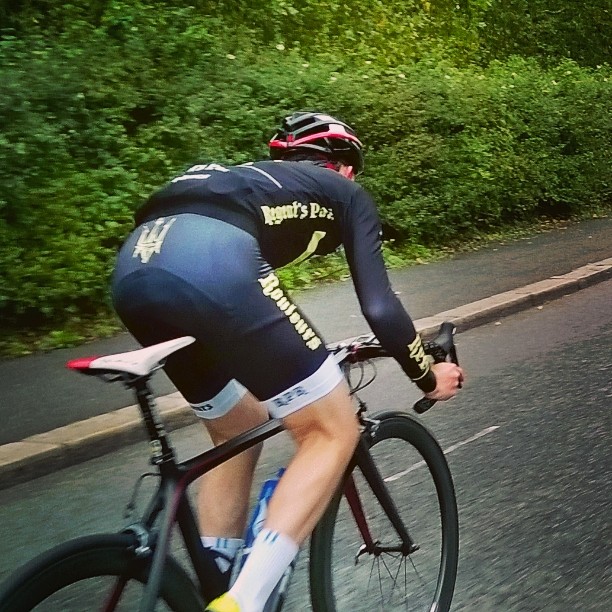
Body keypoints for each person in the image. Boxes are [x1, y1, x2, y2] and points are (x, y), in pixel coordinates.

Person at [111, 111, 464, 612]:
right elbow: (381, 307)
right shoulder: (346, 194)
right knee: (331, 430)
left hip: (134, 268)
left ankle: (215, 581)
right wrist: (427, 376)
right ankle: (244, 602)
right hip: (213, 262)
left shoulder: (252, 181)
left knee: (236, 426)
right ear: (344, 167)